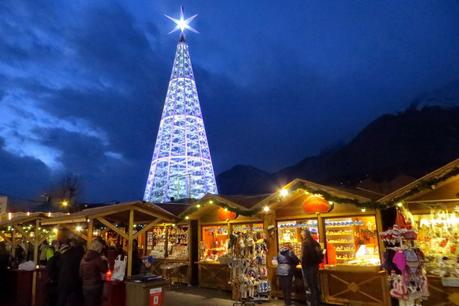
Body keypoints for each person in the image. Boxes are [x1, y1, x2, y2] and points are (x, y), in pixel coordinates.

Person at [80, 240, 108, 306]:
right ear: (98, 249)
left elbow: (80, 273)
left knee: (87, 303)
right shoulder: (97, 258)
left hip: (85, 285)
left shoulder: (83, 257)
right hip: (95, 285)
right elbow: (104, 270)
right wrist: (104, 261)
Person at [57, 239, 84, 306]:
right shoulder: (79, 255)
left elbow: (59, 265)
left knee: (62, 299)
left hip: (63, 279)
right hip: (73, 281)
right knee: (72, 300)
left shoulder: (65, 254)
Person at [301, 229, 323, 306]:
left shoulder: (305, 243)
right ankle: (318, 302)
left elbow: (304, 256)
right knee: (315, 284)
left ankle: (311, 303)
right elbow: (321, 254)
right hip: (315, 266)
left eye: (302, 235)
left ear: (304, 235)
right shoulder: (316, 243)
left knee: (309, 286)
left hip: (307, 267)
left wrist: (302, 265)